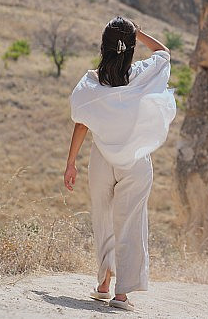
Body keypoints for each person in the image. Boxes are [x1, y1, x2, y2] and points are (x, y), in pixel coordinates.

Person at [63, 16, 176, 312]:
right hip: (136, 161)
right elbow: (164, 53)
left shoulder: (91, 82)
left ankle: (103, 283)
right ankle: (121, 295)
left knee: (103, 218)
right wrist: (139, 33)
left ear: (104, 46)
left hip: (102, 158)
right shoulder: (141, 74)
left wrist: (71, 162)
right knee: (130, 224)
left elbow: (81, 124)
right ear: (131, 47)